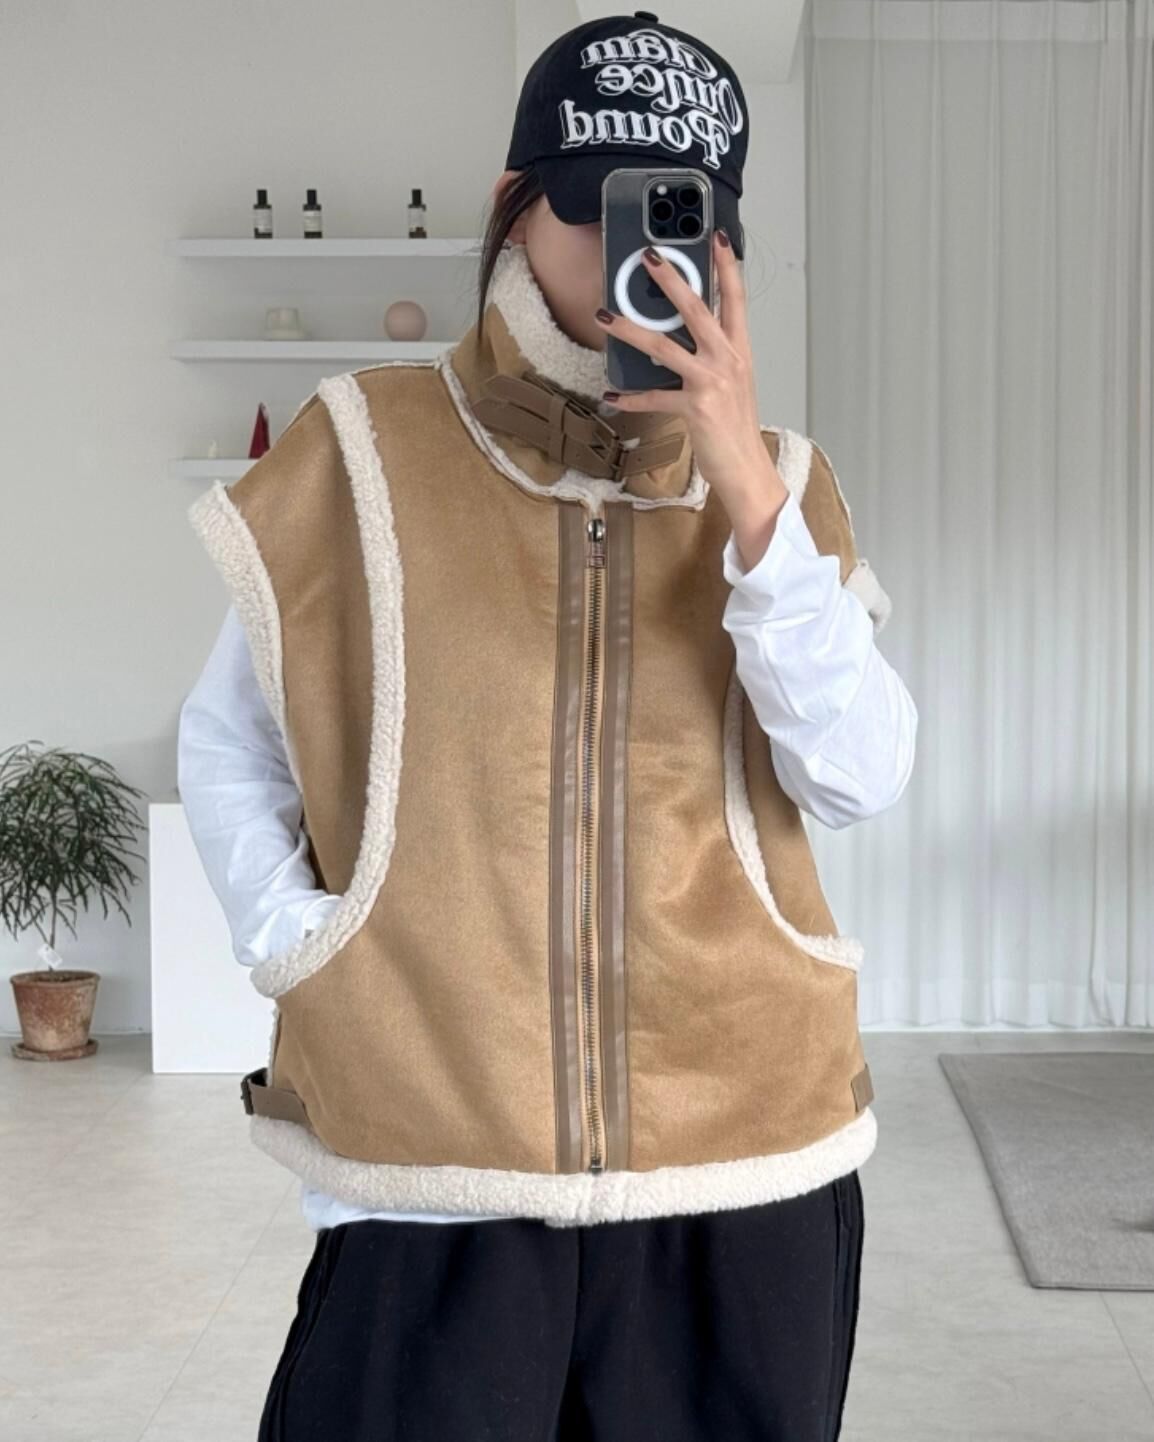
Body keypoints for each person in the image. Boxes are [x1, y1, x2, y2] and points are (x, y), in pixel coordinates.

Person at [177, 11, 917, 1440]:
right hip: (435, 1155)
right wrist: (313, 945)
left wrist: (744, 497)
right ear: (517, 207)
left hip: (743, 1157)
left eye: (686, 220)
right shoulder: (362, 449)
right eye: (603, 210)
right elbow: (231, 742)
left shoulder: (783, 483)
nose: (646, 258)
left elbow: (859, 775)